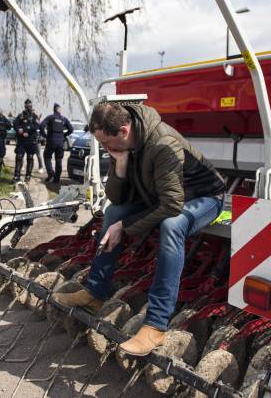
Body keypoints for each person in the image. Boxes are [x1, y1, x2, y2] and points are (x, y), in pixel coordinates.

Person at [52, 102, 226, 356]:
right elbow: (118, 199)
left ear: (124, 131)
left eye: (107, 144)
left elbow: (171, 205)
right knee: (112, 213)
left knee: (172, 225)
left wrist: (125, 227)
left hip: (206, 197)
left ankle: (156, 325)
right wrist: (120, 165)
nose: (105, 149)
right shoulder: (122, 146)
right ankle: (95, 293)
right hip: (165, 195)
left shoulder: (162, 143)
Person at [39, 103, 73, 183]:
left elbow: (41, 126)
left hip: (51, 140)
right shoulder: (64, 119)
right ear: (59, 110)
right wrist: (64, 135)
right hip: (60, 142)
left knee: (47, 156)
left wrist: (45, 135)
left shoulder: (50, 117)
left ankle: (50, 173)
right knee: (59, 160)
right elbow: (71, 129)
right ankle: (57, 179)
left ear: (54, 109)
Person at [13, 99, 40, 182]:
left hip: (31, 141)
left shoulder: (34, 116)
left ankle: (28, 176)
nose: (28, 107)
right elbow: (15, 124)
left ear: (31, 106)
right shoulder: (21, 115)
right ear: (24, 106)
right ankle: (17, 176)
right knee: (19, 157)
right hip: (21, 141)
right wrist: (19, 130)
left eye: (30, 105)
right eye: (27, 106)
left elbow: (36, 126)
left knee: (30, 157)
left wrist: (27, 131)